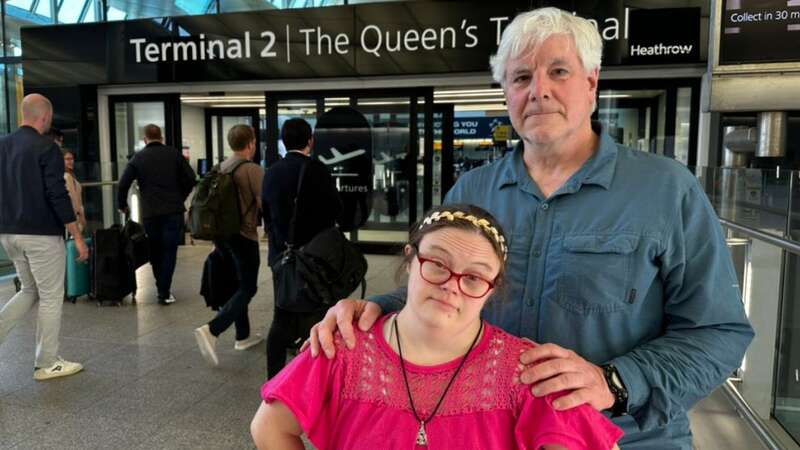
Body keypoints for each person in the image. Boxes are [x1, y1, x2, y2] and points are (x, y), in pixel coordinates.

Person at [306, 7, 754, 449]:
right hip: (491, 436)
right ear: (506, 93)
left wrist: (615, 382)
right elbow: (445, 292)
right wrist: (371, 310)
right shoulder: (473, 190)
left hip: (625, 438)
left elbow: (718, 332)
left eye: (558, 71)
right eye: (521, 78)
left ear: (592, 82)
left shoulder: (666, 190)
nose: (538, 91)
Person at [251, 204, 623, 450]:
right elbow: (269, 427)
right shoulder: (346, 345)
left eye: (474, 278)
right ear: (411, 261)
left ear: (492, 290)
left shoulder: (522, 371)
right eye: (438, 264)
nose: (450, 284)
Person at [0, 93, 89, 380]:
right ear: (46, 117)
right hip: (41, 235)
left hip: (9, 233)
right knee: (51, 297)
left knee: (29, 290)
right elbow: (57, 193)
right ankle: (46, 362)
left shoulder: (3, 145)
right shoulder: (47, 148)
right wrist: (75, 234)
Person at [262, 118, 342, 378]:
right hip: (314, 258)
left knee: (282, 315)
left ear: (284, 142)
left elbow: (266, 215)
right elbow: (336, 210)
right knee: (318, 313)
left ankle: (273, 378)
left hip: (281, 257)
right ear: (311, 141)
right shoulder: (318, 170)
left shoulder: (271, 172)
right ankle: (311, 376)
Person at [195, 124, 265, 366]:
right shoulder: (252, 170)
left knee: (238, 286)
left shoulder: (220, 167)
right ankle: (213, 329)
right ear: (251, 143)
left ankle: (242, 336)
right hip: (244, 236)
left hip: (222, 236)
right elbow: (263, 203)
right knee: (248, 287)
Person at [117, 124, 196, 305]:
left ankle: (161, 285)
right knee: (169, 251)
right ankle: (164, 290)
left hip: (151, 212)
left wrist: (122, 205)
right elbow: (191, 178)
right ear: (161, 138)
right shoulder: (174, 154)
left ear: (145, 139)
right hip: (173, 211)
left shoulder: (139, 158)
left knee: (155, 251)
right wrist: (180, 197)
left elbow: (123, 183)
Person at [63, 148, 86, 232]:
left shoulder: (69, 175)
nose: (71, 161)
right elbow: (73, 198)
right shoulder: (67, 176)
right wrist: (81, 216)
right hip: (74, 217)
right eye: (68, 159)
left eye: (72, 159)